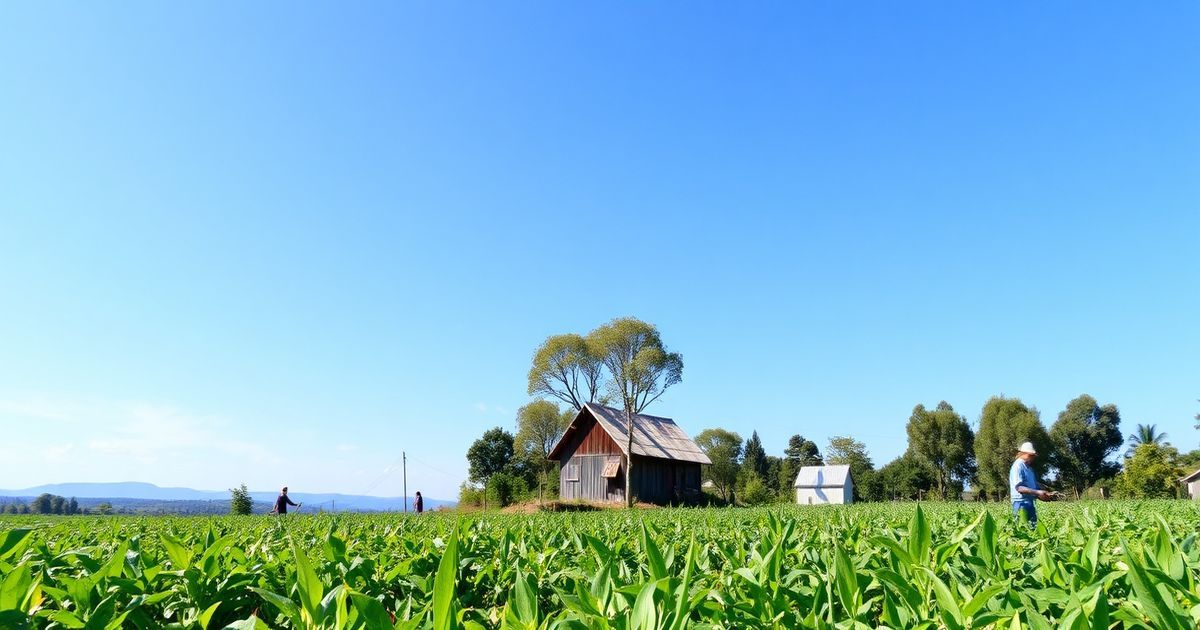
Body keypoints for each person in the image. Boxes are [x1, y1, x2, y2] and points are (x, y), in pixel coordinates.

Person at [1010, 442, 1053, 527]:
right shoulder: (1018, 466)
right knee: (1022, 529)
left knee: (1032, 527)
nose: (1032, 458)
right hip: (1020, 503)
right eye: (1030, 455)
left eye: (1033, 456)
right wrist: (1038, 492)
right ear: (1023, 454)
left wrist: (1044, 489)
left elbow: (1032, 484)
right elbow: (1019, 488)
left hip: (1029, 501)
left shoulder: (1028, 468)